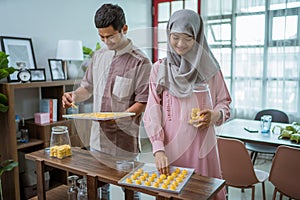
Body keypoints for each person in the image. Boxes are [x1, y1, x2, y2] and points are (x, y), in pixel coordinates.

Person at [62, 4, 151, 200]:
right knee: (100, 189)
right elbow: (87, 87)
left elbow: (142, 102)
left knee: (131, 190)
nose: (105, 41)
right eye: (101, 37)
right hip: (97, 140)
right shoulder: (99, 56)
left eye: (110, 36)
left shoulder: (141, 61)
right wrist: (74, 96)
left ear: (124, 29)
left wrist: (117, 118)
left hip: (124, 141)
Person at [143, 9, 231, 200]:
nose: (180, 44)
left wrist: (215, 116)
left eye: (188, 38)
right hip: (171, 150)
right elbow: (152, 111)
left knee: (203, 194)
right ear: (168, 35)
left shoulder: (211, 69)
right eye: (175, 37)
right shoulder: (159, 69)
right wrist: (158, 149)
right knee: (171, 193)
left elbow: (225, 103)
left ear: (198, 38)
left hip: (202, 149)